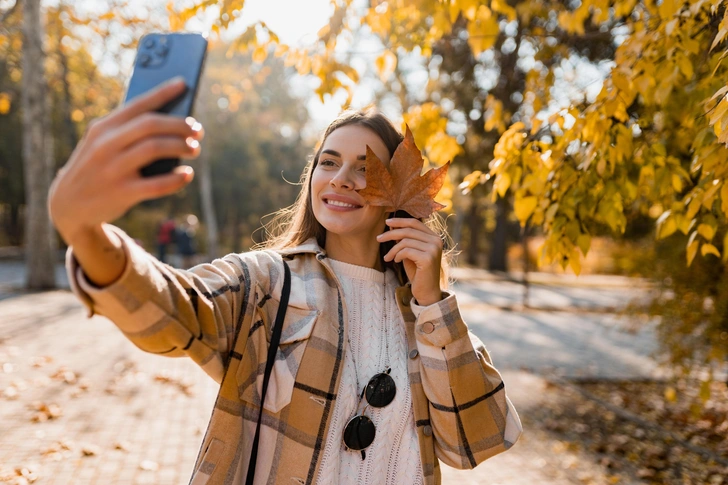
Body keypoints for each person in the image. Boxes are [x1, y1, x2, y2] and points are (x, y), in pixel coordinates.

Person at [48, 79, 522, 485]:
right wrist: (86, 234)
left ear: (397, 194)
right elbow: (172, 312)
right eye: (329, 162)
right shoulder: (266, 283)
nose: (342, 179)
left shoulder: (424, 313)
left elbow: (473, 441)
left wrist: (432, 302)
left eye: (366, 168)